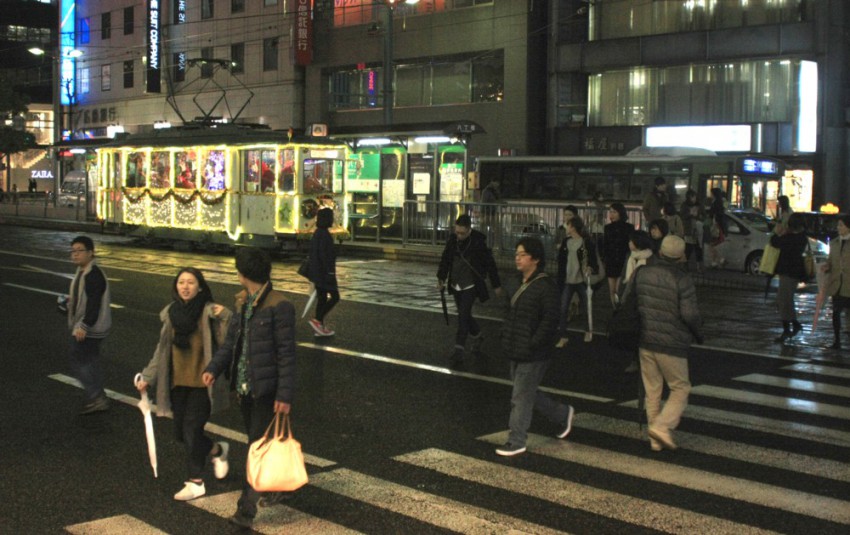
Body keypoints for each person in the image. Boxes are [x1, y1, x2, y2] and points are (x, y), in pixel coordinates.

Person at [202, 248, 296, 530]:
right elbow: (231, 344)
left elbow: (287, 354)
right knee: (261, 445)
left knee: (255, 448)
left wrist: (284, 395)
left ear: (242, 274)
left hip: (266, 391)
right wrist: (213, 368)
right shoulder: (244, 303)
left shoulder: (279, 306)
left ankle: (246, 510)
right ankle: (277, 485)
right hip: (245, 389)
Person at [135, 268, 233, 501]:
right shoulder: (171, 313)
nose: (186, 286)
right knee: (181, 433)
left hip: (203, 383)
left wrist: (226, 315)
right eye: (181, 282)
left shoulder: (211, 311)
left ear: (200, 286)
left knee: (191, 430)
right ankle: (218, 450)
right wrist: (148, 377)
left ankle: (196, 482)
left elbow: (230, 339)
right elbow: (162, 350)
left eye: (191, 282)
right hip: (178, 383)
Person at [496, 236, 575, 456]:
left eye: (522, 255)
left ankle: (517, 440)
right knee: (525, 391)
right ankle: (562, 414)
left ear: (536, 259)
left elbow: (550, 319)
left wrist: (534, 342)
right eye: (516, 254)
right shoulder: (515, 282)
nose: (517, 258)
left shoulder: (545, 286)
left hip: (534, 351)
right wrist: (505, 335)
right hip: (515, 346)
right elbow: (507, 312)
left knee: (520, 395)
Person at [634, 235, 703, 451]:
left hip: (645, 338)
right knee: (680, 387)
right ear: (682, 256)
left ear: (660, 252)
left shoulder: (642, 272)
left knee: (652, 390)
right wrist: (698, 333)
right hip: (672, 342)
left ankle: (655, 441)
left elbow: (630, 299)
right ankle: (662, 427)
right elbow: (690, 314)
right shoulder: (682, 279)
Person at [437, 214, 502, 369]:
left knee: (463, 316)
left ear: (469, 230)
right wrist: (441, 278)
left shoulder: (478, 242)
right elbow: (446, 259)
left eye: (462, 233)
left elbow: (490, 264)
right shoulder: (453, 241)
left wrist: (496, 285)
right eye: (457, 232)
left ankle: (458, 350)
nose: (459, 236)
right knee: (464, 315)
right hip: (456, 284)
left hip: (470, 285)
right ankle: (478, 335)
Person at [67, 236, 112, 414]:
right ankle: (98, 395)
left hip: (90, 328)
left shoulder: (93, 274)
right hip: (88, 326)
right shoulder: (84, 271)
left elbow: (94, 303)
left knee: (79, 361)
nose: (75, 254)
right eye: (73, 251)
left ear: (90, 253)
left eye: (79, 250)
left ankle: (96, 396)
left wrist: (84, 326)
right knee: (90, 361)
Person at [556, 216, 600, 346]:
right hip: (568, 279)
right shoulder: (566, 242)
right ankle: (563, 335)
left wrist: (590, 267)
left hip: (581, 279)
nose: (566, 227)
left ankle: (588, 331)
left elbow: (592, 259)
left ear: (573, 227)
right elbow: (561, 261)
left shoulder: (586, 242)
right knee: (563, 308)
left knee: (587, 306)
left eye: (567, 225)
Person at [770, 213, 809, 343]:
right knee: (787, 300)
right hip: (794, 272)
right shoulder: (802, 238)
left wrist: (777, 233)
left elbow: (775, 242)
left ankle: (787, 329)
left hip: (787, 272)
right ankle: (794, 325)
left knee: (783, 301)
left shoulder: (790, 238)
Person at [307, 208, 339, 337]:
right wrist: (330, 273)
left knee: (322, 298)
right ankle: (317, 320)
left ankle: (319, 327)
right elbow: (325, 256)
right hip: (325, 273)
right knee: (335, 297)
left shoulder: (317, 233)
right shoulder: (325, 235)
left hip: (317, 273)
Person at [822, 215, 850, 349]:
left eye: (841, 225)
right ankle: (837, 340)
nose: (838, 228)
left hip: (849, 283)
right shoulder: (834, 243)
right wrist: (827, 266)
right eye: (838, 225)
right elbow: (831, 261)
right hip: (837, 284)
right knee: (836, 312)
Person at [601, 203, 634, 306]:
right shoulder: (608, 228)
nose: (612, 214)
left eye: (614, 212)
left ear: (620, 213)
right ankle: (614, 307)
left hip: (623, 260)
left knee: (618, 288)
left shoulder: (628, 227)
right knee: (612, 289)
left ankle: (618, 307)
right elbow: (605, 244)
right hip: (612, 260)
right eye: (610, 211)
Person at [680, 189, 705, 272]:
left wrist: (699, 216)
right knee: (688, 248)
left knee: (698, 248)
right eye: (692, 197)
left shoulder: (699, 205)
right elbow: (682, 216)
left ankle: (699, 267)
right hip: (689, 229)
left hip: (698, 230)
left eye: (694, 197)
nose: (693, 199)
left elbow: (704, 216)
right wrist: (690, 214)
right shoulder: (684, 205)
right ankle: (685, 265)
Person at [707, 188, 728, 268]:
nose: (710, 195)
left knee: (711, 245)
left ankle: (720, 260)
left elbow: (711, 214)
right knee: (713, 245)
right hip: (720, 226)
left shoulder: (715, 203)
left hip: (716, 227)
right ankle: (714, 262)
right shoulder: (721, 202)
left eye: (711, 193)